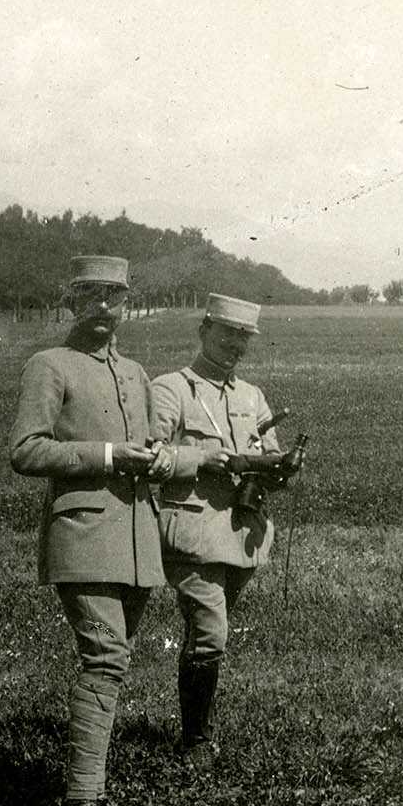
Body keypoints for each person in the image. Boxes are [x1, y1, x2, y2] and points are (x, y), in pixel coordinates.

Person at [9, 254, 165, 806]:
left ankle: (87, 791)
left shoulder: (135, 374)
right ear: (71, 301)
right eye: (91, 295)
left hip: (137, 541)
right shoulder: (49, 366)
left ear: (127, 304)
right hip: (82, 538)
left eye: (115, 296)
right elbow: (26, 449)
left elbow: (148, 445)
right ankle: (80, 803)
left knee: (113, 663)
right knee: (106, 658)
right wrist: (105, 456)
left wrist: (157, 458)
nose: (104, 306)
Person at [147, 294, 299, 756]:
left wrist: (282, 468)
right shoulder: (170, 388)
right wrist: (202, 459)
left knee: (207, 634)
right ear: (204, 329)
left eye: (244, 336)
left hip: (241, 536)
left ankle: (195, 725)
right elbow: (150, 458)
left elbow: (267, 458)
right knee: (212, 632)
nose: (236, 344)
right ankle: (195, 742)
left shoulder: (251, 396)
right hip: (193, 534)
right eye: (227, 332)